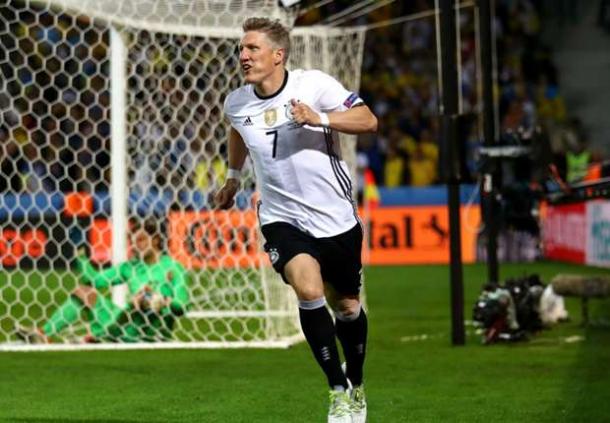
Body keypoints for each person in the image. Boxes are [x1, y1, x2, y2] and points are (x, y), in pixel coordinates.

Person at [214, 17, 378, 423]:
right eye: (242, 49)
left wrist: (320, 118)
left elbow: (368, 121)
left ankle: (355, 381)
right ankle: (337, 391)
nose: (244, 55)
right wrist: (233, 177)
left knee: (348, 306)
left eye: (252, 48)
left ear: (278, 55)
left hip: (334, 217)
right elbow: (237, 130)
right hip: (281, 217)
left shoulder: (315, 85)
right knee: (308, 290)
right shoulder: (237, 102)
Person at [16, 219, 189, 343]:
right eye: (133, 242)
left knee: (139, 301)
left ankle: (101, 336)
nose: (137, 245)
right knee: (84, 292)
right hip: (126, 327)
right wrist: (80, 256)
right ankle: (44, 334)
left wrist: (163, 302)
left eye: (142, 240)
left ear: (156, 240)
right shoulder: (129, 268)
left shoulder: (173, 268)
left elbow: (183, 306)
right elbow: (94, 281)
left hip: (155, 334)